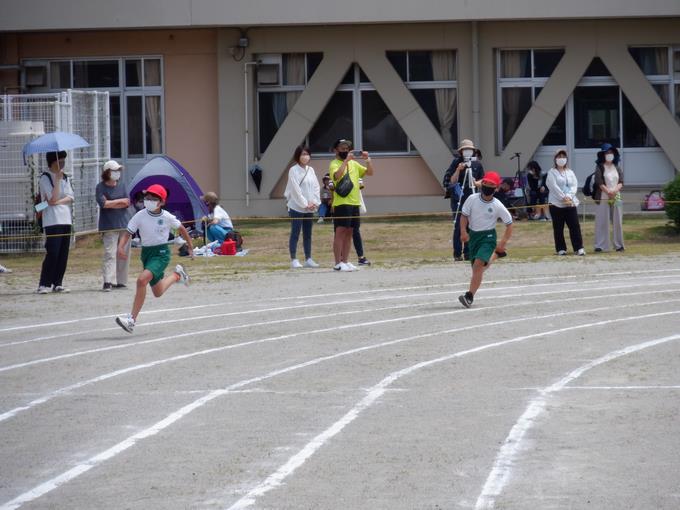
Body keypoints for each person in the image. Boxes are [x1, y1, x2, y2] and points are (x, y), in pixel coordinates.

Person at [114, 184, 193, 333]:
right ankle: (178, 275)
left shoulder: (167, 217)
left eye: (153, 198)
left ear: (162, 202)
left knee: (141, 280)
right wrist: (120, 247)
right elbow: (128, 232)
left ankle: (131, 320)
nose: (148, 200)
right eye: (147, 197)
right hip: (147, 254)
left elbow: (181, 229)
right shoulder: (140, 215)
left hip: (161, 254)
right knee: (158, 292)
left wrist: (190, 246)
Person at [458, 171, 513, 308]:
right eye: (486, 183)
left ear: (496, 188)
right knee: (478, 269)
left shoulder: (497, 205)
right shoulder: (472, 199)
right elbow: (464, 216)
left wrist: (502, 242)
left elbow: (509, 224)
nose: (488, 186)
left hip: (488, 237)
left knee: (478, 265)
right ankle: (495, 256)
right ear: (482, 184)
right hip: (473, 237)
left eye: (491, 185)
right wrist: (464, 231)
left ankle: (469, 296)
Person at [330, 138, 373, 272]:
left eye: (347, 149)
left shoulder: (354, 164)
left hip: (355, 202)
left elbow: (370, 172)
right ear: (336, 150)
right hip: (342, 203)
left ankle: (346, 261)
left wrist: (368, 160)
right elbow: (337, 176)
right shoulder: (334, 163)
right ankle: (338, 263)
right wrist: (346, 161)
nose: (345, 151)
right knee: (340, 232)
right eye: (342, 148)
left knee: (350, 232)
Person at [36, 150, 74, 294]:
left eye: (64, 160)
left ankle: (58, 282)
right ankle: (44, 283)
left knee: (63, 253)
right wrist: (57, 181)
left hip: (65, 219)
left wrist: (57, 201)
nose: (62, 163)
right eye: (60, 161)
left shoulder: (65, 177)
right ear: (52, 162)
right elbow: (51, 198)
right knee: (53, 252)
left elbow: (70, 197)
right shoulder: (45, 178)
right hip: (52, 221)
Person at [442, 139, 484, 261]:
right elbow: (450, 181)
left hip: (472, 197)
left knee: (471, 225)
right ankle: (457, 253)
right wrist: (458, 170)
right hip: (458, 198)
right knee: (459, 226)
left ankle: (468, 252)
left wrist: (475, 182)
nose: (467, 152)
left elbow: (483, 180)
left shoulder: (477, 164)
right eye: (465, 150)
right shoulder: (456, 162)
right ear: (461, 152)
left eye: (470, 150)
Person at [96, 160, 131, 292]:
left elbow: (127, 202)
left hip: (124, 223)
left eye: (118, 170)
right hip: (109, 225)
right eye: (114, 170)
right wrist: (118, 202)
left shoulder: (122, 185)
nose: (117, 173)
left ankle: (121, 281)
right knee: (109, 253)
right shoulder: (100, 187)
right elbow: (104, 204)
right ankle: (108, 281)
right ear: (107, 172)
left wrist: (112, 202)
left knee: (123, 253)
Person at [284, 145, 320, 268]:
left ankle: (308, 258)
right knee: (295, 232)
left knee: (308, 233)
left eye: (307, 154)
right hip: (296, 207)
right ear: (298, 156)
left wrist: (314, 202)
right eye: (302, 154)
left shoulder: (311, 170)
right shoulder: (293, 170)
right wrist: (305, 204)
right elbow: (295, 190)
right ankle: (294, 259)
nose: (305, 156)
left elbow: (316, 187)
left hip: (310, 207)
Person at [546, 149, 585, 256]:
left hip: (570, 203)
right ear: (555, 159)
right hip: (556, 204)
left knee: (574, 226)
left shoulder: (570, 172)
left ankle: (578, 247)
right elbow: (553, 187)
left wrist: (569, 196)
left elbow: (574, 185)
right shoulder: (551, 172)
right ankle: (561, 248)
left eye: (563, 156)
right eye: (559, 157)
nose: (561, 159)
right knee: (558, 227)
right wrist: (563, 197)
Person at [593, 143, 624, 252]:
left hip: (617, 197)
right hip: (602, 197)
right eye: (607, 153)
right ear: (603, 154)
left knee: (618, 221)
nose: (609, 154)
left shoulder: (617, 167)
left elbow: (621, 182)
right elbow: (599, 182)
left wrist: (614, 191)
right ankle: (601, 246)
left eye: (611, 152)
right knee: (602, 221)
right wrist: (608, 192)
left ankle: (619, 245)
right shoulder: (600, 167)